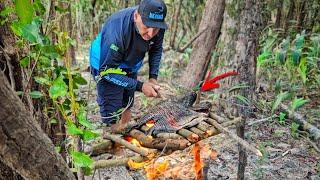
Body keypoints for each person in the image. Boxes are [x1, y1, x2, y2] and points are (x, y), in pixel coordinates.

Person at [89, 0, 168, 130]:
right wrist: (141, 86)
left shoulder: (157, 26)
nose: (151, 33)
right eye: (147, 26)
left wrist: (153, 77)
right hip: (105, 64)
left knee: (127, 102)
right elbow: (107, 71)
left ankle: (126, 137)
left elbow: (156, 48)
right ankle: (114, 143)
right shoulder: (116, 31)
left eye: (156, 28)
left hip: (130, 62)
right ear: (136, 16)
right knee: (112, 110)